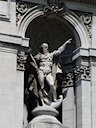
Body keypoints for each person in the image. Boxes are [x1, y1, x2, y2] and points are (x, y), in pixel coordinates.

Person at [33, 38, 72, 102]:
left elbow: (59, 50)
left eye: (47, 47)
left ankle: (54, 98)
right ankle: (41, 98)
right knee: (41, 85)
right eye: (45, 47)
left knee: (52, 85)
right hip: (41, 71)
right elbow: (33, 61)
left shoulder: (51, 55)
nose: (47, 48)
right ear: (42, 48)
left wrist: (66, 43)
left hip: (48, 73)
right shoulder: (39, 56)